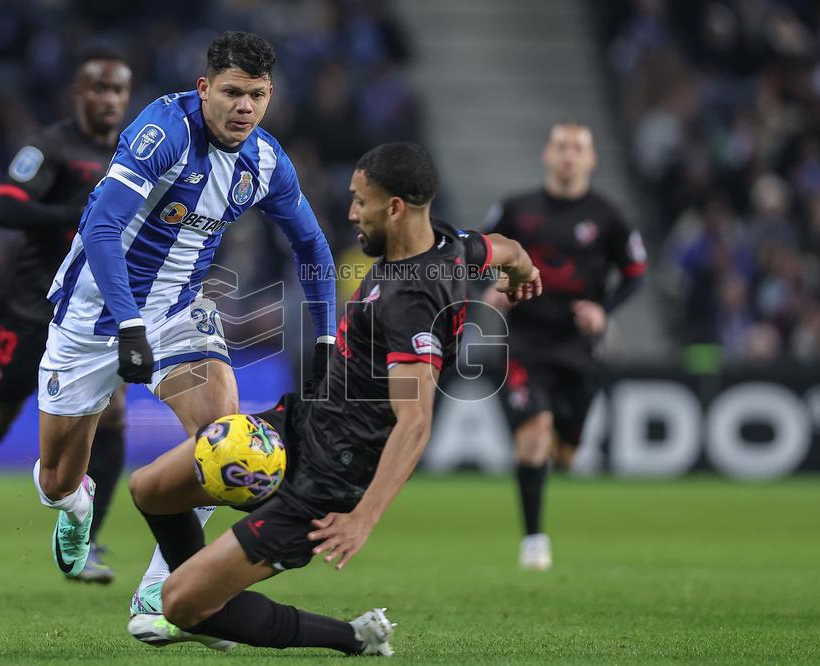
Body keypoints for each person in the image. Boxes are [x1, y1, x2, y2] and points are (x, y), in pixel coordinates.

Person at [125, 142, 542, 655]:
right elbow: (507, 248)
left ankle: (353, 637)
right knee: (150, 489)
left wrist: (363, 517)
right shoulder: (448, 244)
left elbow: (415, 422)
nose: (351, 213)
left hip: (330, 477)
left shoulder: (412, 301)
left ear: (394, 208)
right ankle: (209, 605)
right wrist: (523, 274)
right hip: (301, 424)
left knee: (178, 603)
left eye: (360, 201)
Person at [32, 31, 337, 580]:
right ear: (204, 88)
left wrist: (327, 339)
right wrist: (129, 324)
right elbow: (101, 228)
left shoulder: (267, 161)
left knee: (227, 445)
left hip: (179, 313)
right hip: (94, 313)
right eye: (232, 93)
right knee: (56, 481)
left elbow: (312, 246)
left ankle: (162, 588)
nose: (245, 108)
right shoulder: (164, 131)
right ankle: (77, 506)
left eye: (258, 95)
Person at [0, 47, 133, 583]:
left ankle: (87, 539)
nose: (109, 99)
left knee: (112, 417)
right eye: (99, 88)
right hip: (31, 309)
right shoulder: (51, 147)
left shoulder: (133, 154)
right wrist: (74, 213)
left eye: (117, 90)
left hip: (93, 314)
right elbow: (4, 207)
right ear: (79, 94)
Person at [482, 122, 647, 570]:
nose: (568, 155)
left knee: (567, 455)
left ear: (591, 159)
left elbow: (636, 272)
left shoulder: (608, 216)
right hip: (523, 340)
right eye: (561, 146)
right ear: (547, 155)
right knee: (534, 432)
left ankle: (562, 445)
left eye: (577, 148)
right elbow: (477, 254)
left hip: (578, 346)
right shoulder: (516, 209)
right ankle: (534, 540)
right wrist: (490, 287)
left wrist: (603, 309)